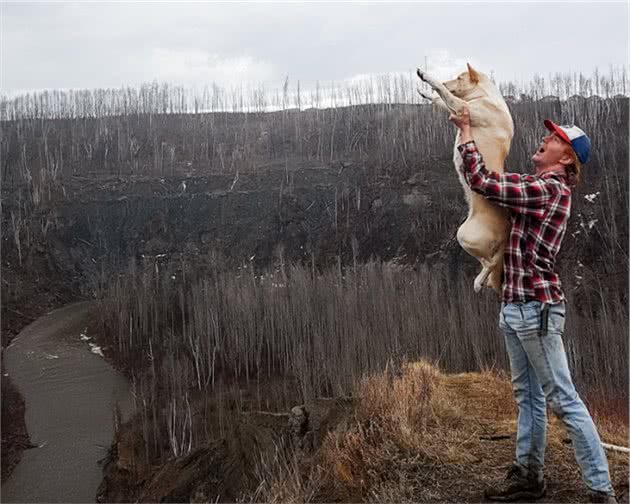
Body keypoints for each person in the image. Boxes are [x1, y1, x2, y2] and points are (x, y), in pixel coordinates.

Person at [449, 106, 617, 504]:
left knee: (563, 399)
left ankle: (600, 489)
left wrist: (468, 130)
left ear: (566, 157)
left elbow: (483, 182)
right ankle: (528, 475)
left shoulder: (549, 190)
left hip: (534, 310)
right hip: (518, 306)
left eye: (555, 138)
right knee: (529, 396)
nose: (545, 139)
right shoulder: (540, 186)